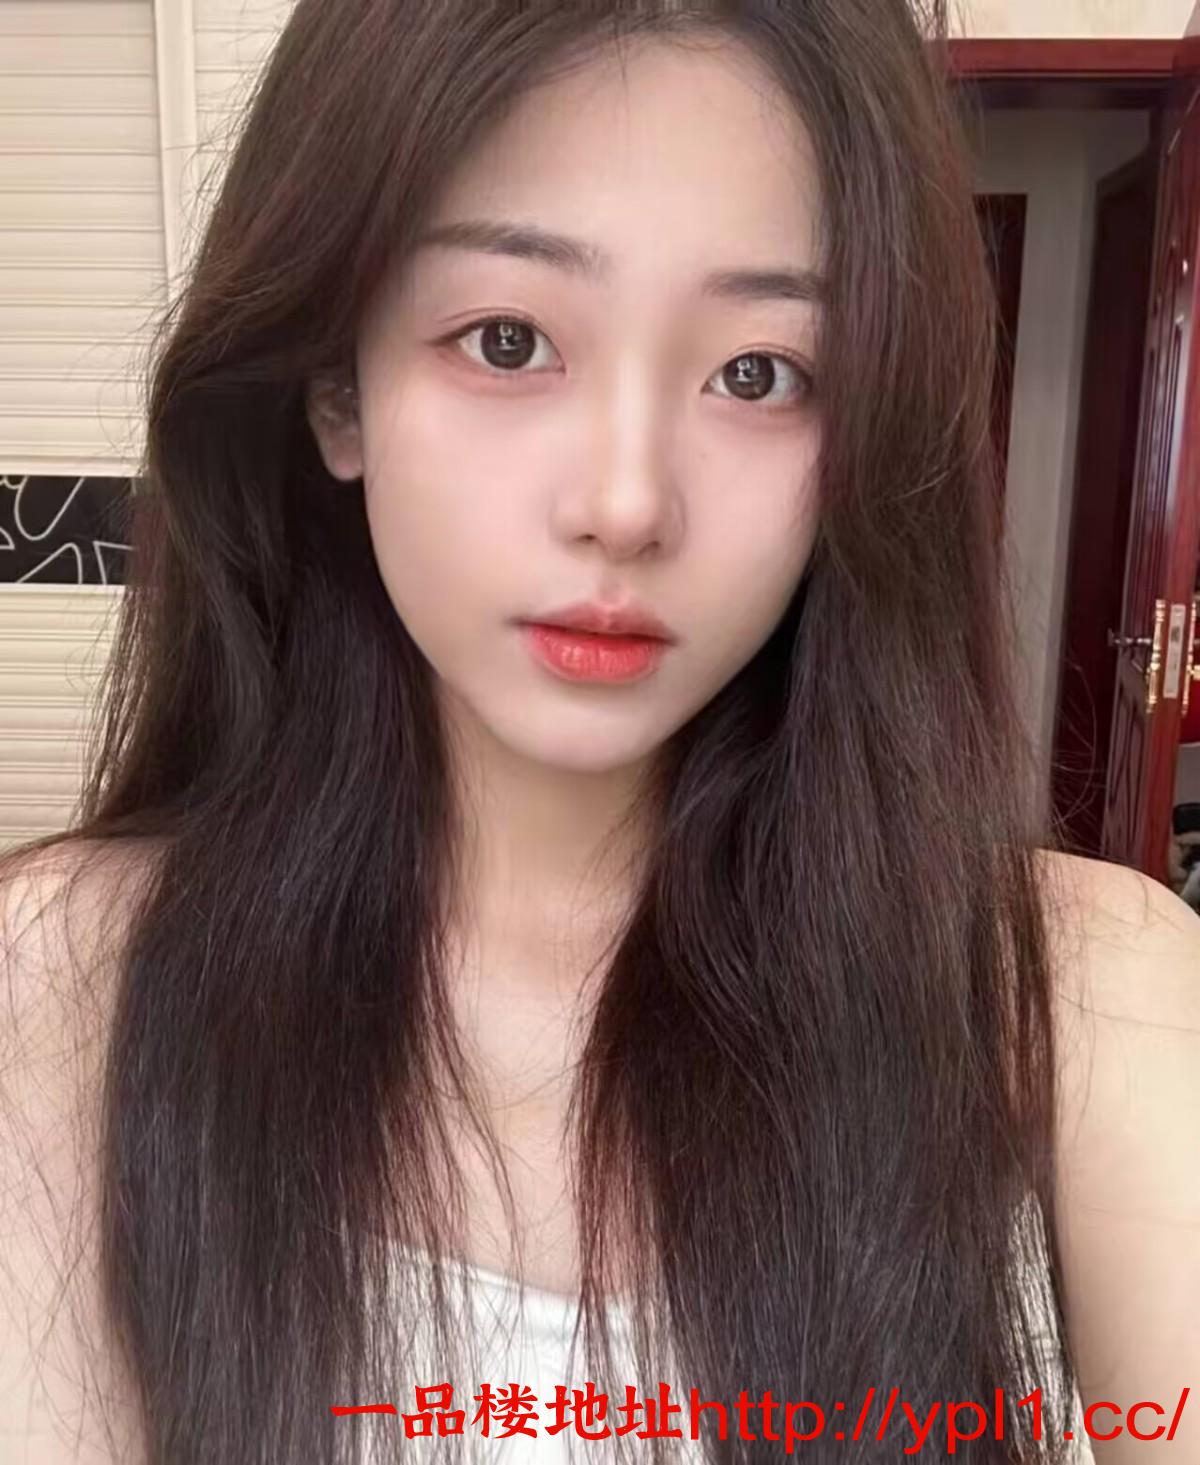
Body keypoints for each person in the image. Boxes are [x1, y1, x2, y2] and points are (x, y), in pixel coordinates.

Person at [2, 1, 1198, 1462]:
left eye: (759, 373)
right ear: (336, 392)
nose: (627, 503)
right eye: (507, 340)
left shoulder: (1092, 1002)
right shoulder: (66, 985)